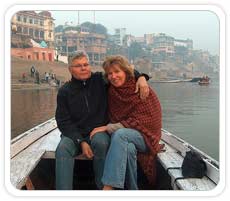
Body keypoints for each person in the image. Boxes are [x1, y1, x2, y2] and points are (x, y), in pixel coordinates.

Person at [55, 51, 149, 190]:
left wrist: (141, 77)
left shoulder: (100, 80)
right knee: (62, 149)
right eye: (78, 66)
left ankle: (103, 189)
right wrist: (81, 142)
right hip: (74, 135)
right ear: (70, 69)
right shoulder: (65, 91)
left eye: (86, 64)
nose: (84, 68)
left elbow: (122, 72)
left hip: (98, 131)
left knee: (101, 143)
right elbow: (63, 121)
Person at [90, 55, 163, 190]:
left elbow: (148, 119)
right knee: (128, 149)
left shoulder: (140, 88)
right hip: (125, 137)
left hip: (147, 137)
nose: (113, 76)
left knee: (120, 134)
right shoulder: (112, 91)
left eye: (117, 72)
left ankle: (108, 187)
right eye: (110, 73)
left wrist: (107, 127)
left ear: (125, 72)